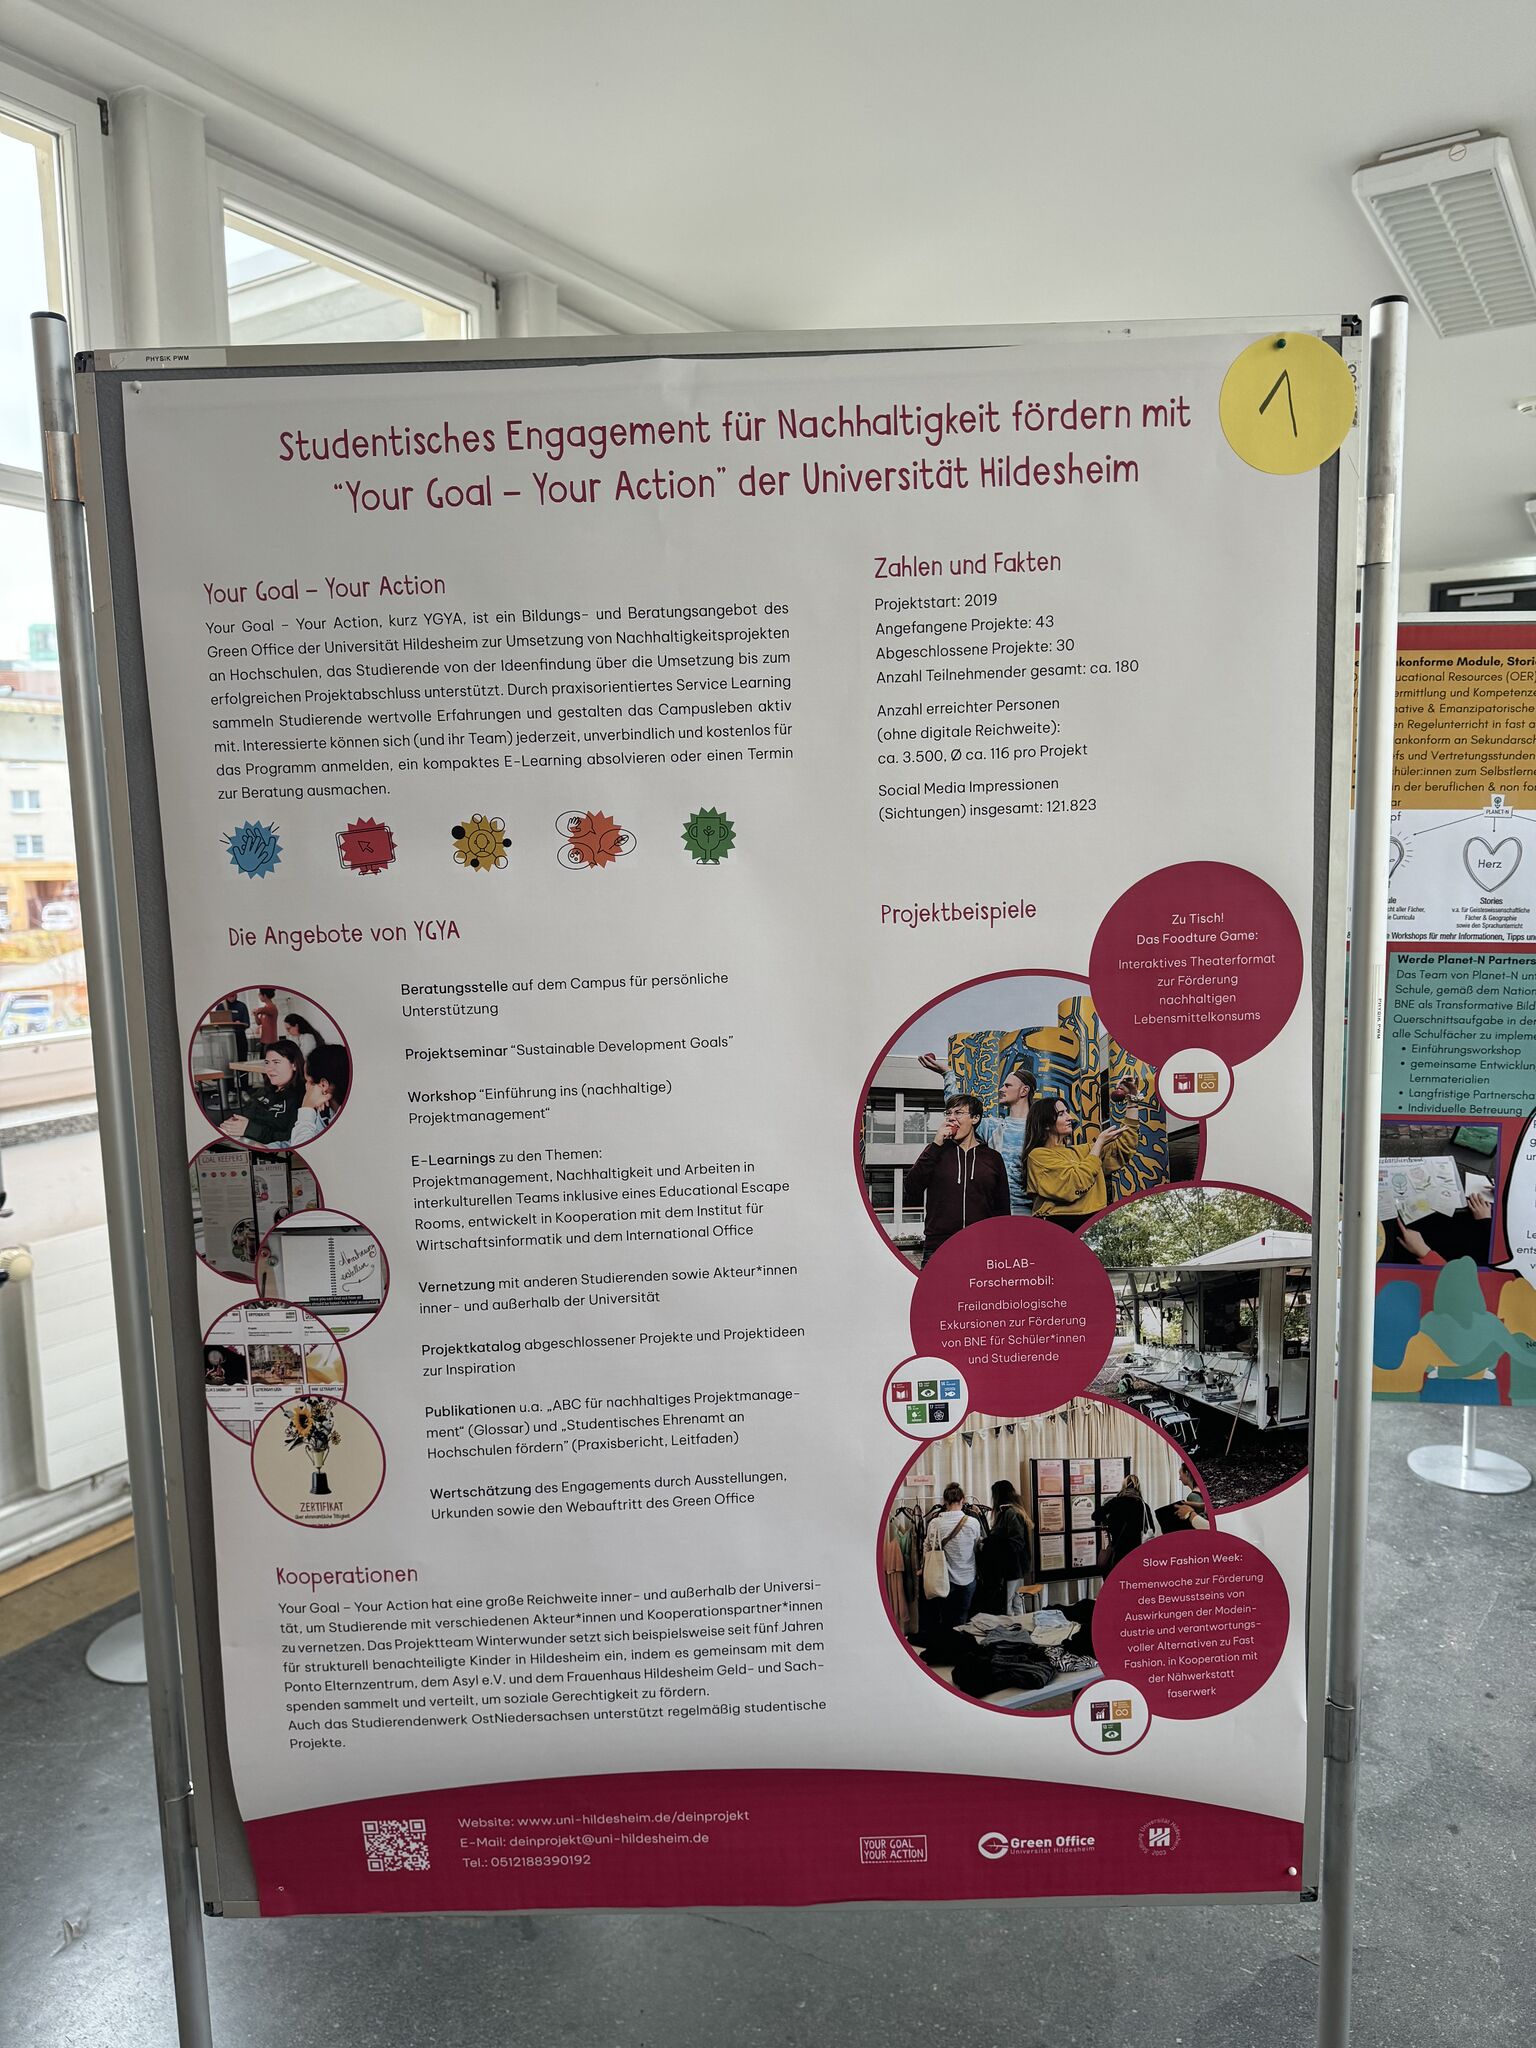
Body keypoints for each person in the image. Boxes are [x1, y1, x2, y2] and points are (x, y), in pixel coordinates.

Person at [918, 1050, 1036, 1214]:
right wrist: (947, 1074)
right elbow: (959, 1110)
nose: (1001, 1089)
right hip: (996, 1212)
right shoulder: (994, 1127)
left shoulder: (1039, 1128)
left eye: (1007, 1085)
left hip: (1030, 1213)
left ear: (1024, 1091)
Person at [902, 1094, 1010, 1264]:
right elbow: (911, 1188)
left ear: (975, 1118)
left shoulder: (993, 1158)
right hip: (939, 1247)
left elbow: (1002, 1208)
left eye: (958, 1113)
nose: (951, 1118)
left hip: (983, 1247)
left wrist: (1000, 1247)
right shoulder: (935, 1152)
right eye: (948, 1113)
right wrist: (936, 1144)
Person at [1023, 1093, 1134, 1224]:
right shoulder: (1038, 1156)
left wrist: (1133, 1101)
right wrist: (1099, 1143)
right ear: (1046, 1124)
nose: (1069, 1117)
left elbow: (1123, 1148)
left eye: (1067, 1112)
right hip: (1059, 1224)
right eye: (1061, 1114)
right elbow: (1074, 1184)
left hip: (1094, 1222)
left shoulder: (1084, 1150)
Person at [219, 1038, 305, 1147]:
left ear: (294, 1065)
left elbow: (290, 1139)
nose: (270, 1069)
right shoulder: (264, 1091)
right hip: (243, 1140)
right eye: (267, 1063)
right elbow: (248, 1117)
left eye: (276, 1062)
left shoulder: (301, 1098)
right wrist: (234, 1124)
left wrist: (249, 1129)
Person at [926, 1483, 982, 1636]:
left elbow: (928, 1547)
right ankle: (959, 1644)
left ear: (945, 1501)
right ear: (962, 1500)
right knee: (962, 1616)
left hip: (943, 1578)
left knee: (945, 1617)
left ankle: (947, 1644)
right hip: (968, 1576)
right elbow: (977, 1545)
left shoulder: (935, 1523)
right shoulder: (973, 1522)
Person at [975, 1479, 1037, 1614]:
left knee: (1010, 1605)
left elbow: (1016, 1543)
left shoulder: (1010, 1513)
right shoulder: (1010, 1512)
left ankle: (1015, 1626)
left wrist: (990, 1546)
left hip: (1011, 1567)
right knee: (1015, 1602)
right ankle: (1018, 1625)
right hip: (1014, 1567)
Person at [285, 1042, 351, 1145]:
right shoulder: (327, 1110)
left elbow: (303, 1147)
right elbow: (306, 1138)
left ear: (323, 1085)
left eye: (308, 1081)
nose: (306, 1086)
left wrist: (307, 1107)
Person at [1094, 1472, 1155, 1568]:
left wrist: (1108, 1520)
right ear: (1138, 1488)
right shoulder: (1143, 1505)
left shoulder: (1115, 1502)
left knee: (1118, 1574)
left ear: (1124, 1487)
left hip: (1118, 1550)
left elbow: (1095, 1516)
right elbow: (1151, 1528)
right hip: (1136, 1551)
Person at [223, 992, 250, 1064]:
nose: (231, 997)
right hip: (226, 1040)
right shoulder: (221, 1007)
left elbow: (247, 1023)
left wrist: (240, 1023)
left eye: (233, 995)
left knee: (242, 1062)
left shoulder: (241, 1006)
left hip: (240, 1038)